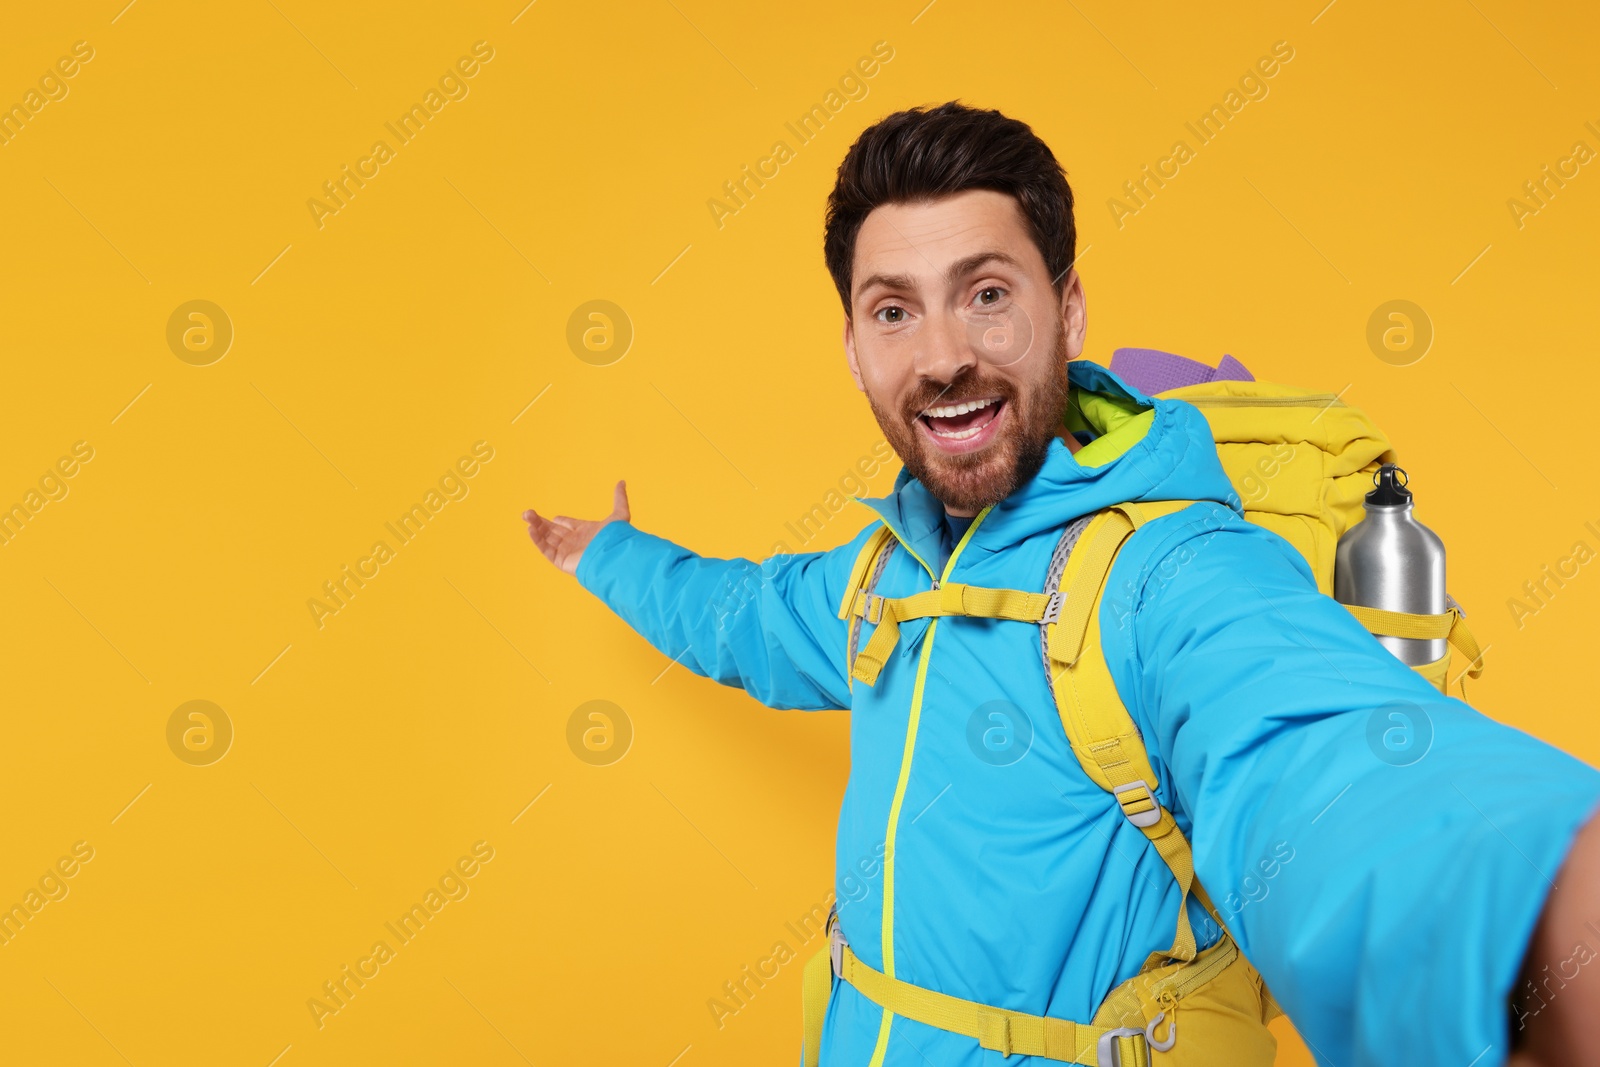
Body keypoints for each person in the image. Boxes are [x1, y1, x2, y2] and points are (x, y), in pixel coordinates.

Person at [523, 101, 1600, 1067]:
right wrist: (606, 554)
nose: (942, 356)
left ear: (1068, 311)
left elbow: (1327, 755)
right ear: (852, 347)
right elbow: (738, 618)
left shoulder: (1167, 572)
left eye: (986, 294)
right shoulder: (879, 579)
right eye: (893, 310)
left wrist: (1537, 915)